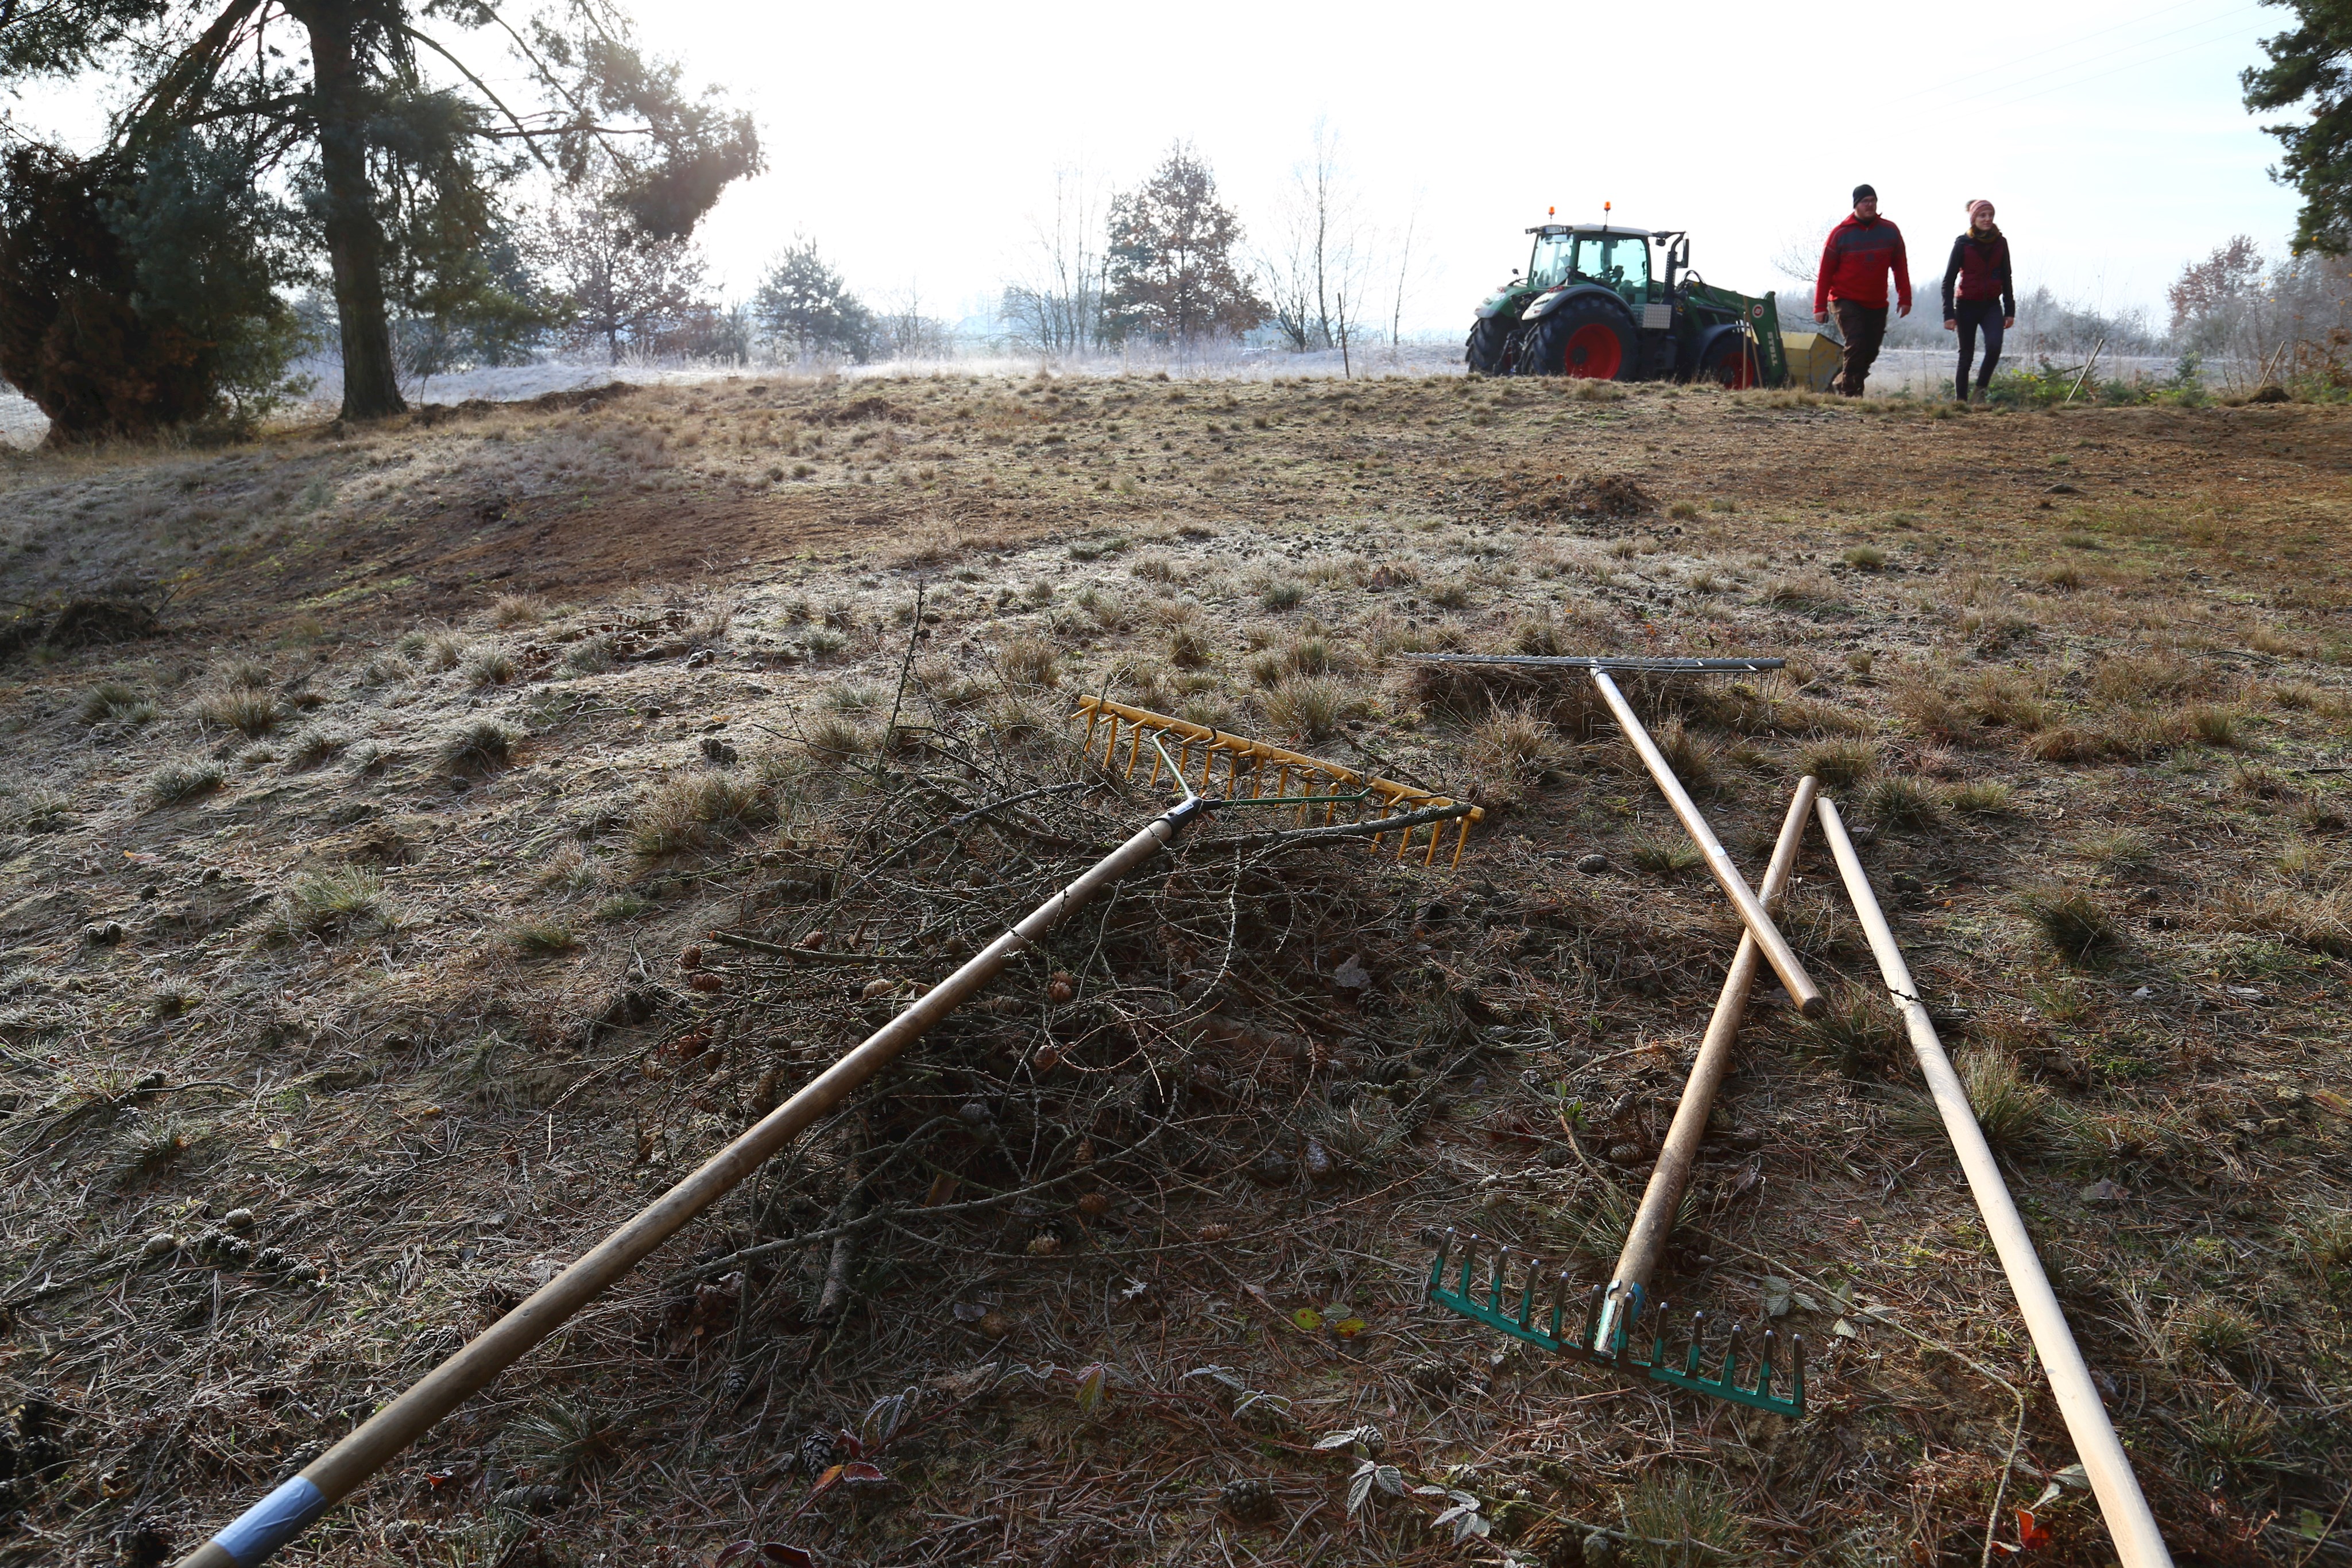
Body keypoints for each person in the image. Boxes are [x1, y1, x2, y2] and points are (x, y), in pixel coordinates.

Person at [1813, 184, 1911, 397]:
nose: (1870, 205)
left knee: (1871, 351)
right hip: (1844, 298)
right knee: (1856, 343)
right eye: (1865, 201)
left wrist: (1905, 297)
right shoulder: (1840, 234)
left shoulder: (1890, 231)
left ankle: (1843, 382)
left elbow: (1900, 266)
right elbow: (1825, 273)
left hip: (1876, 301)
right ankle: (1852, 394)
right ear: (1856, 205)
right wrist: (1819, 306)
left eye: (1873, 201)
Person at [1941, 198, 2016, 401]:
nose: (1987, 219)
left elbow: (2007, 277)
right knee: (1966, 355)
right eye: (1983, 215)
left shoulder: (2001, 243)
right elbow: (1948, 281)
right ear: (1974, 219)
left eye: (1990, 215)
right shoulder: (1963, 243)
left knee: (1994, 347)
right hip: (1966, 305)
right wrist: (1948, 314)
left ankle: (1980, 392)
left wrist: (2010, 311)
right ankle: (1961, 402)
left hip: (1991, 305)